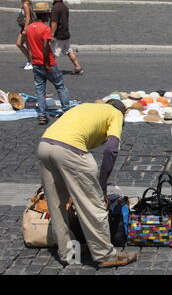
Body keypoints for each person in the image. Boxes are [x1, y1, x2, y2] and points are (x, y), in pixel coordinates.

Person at [38, 99, 138, 268]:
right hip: (70, 150)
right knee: (93, 205)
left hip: (44, 145)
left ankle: (67, 252)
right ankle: (104, 254)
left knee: (57, 204)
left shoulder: (86, 107)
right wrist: (102, 186)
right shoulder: (115, 114)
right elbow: (111, 149)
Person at [25, 2, 71, 125]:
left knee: (40, 89)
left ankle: (42, 115)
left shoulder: (29, 28)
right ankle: (67, 110)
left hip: (36, 62)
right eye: (48, 14)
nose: (50, 16)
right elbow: (45, 46)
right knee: (60, 86)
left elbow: (29, 45)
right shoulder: (45, 29)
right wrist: (46, 63)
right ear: (44, 15)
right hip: (47, 62)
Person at [50, 0, 84, 75]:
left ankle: (50, 71)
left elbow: (54, 22)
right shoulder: (64, 7)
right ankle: (78, 67)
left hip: (59, 35)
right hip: (65, 33)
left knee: (52, 54)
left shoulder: (55, 7)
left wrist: (51, 34)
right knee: (69, 51)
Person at [16, 0, 34, 70]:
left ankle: (32, 62)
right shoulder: (26, 3)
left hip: (27, 27)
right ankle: (30, 60)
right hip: (24, 27)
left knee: (28, 46)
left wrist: (25, 29)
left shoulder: (26, 4)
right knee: (19, 44)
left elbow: (28, 17)